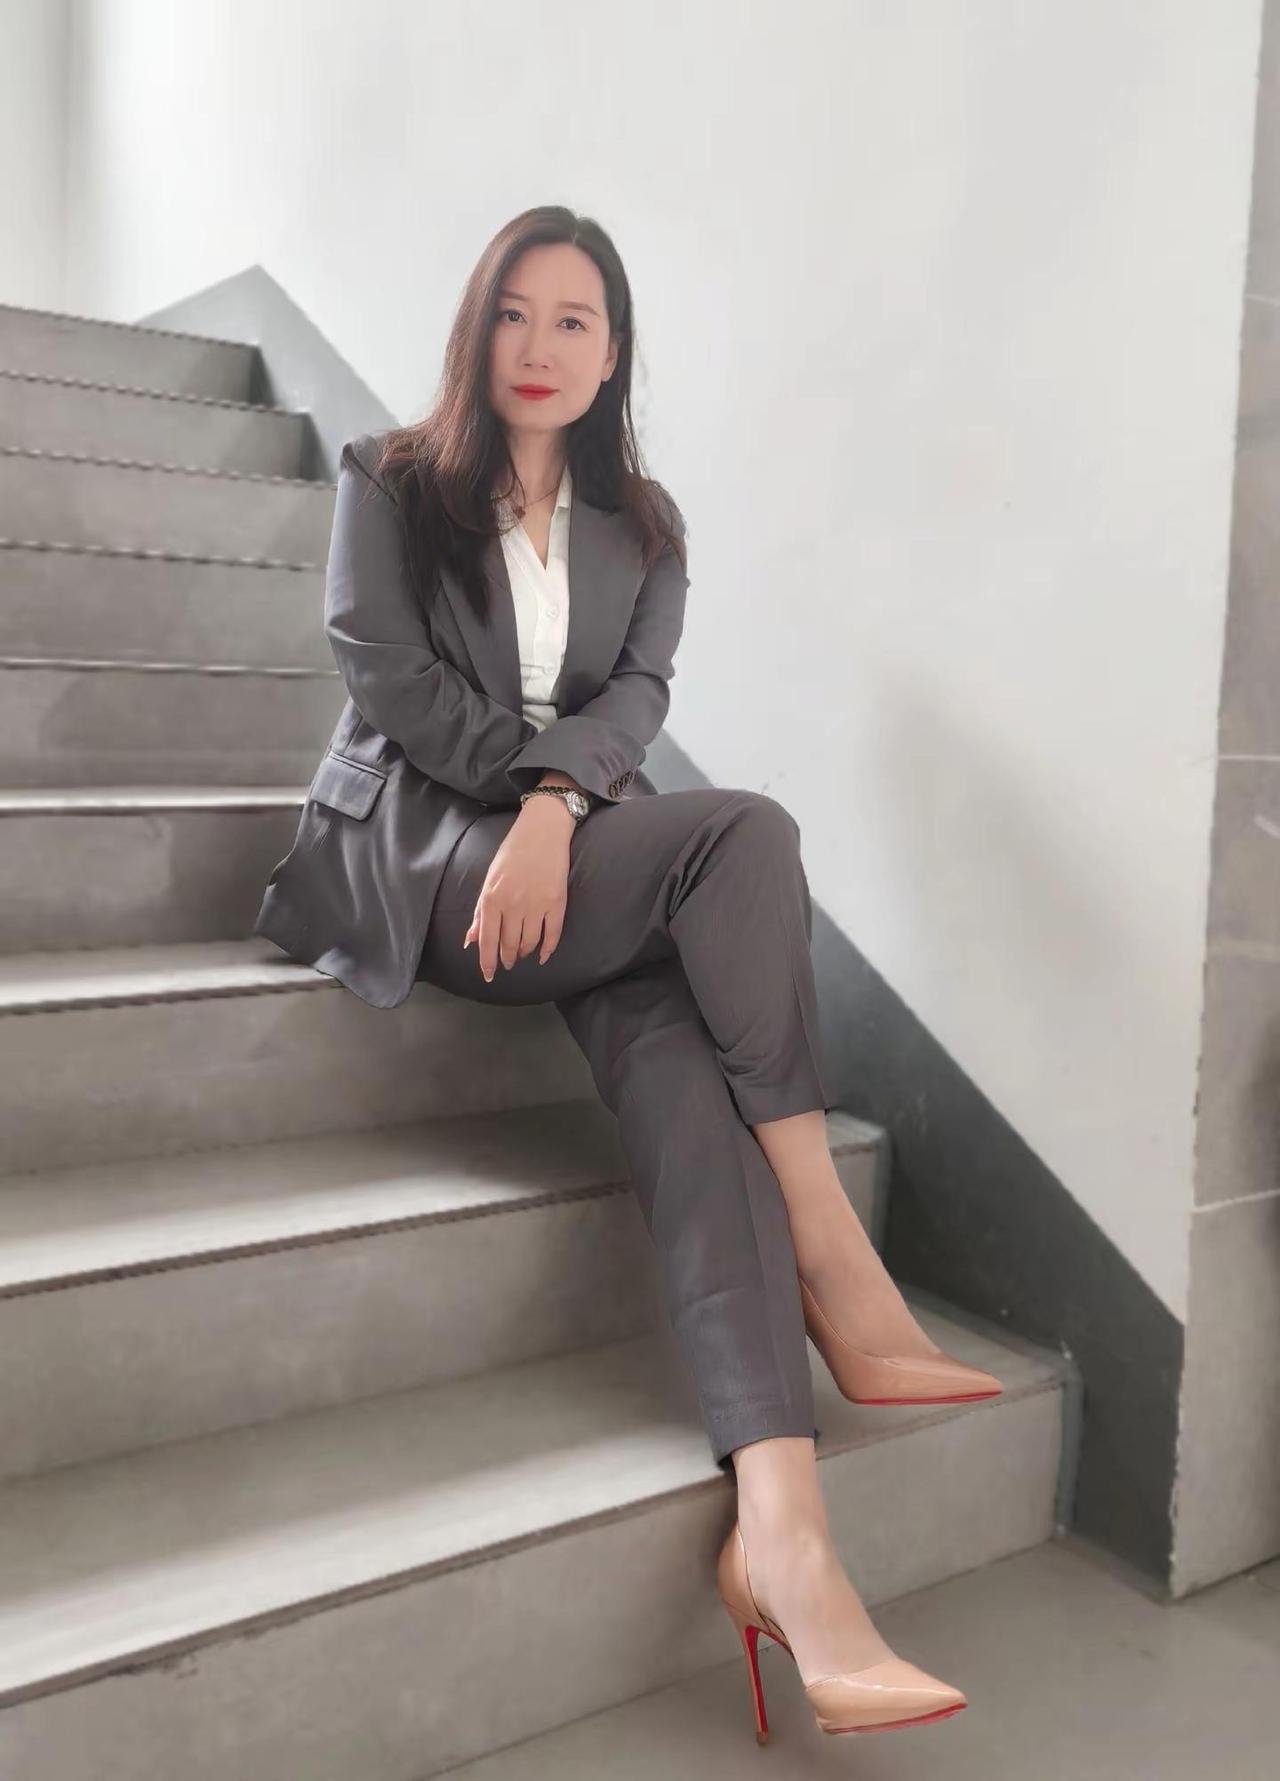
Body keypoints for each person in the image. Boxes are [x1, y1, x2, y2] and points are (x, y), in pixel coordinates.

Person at [255, 205, 999, 1744]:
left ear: (613, 354)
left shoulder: (644, 527)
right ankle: (830, 1250)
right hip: (420, 853)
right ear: (477, 329)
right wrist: (541, 801)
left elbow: (639, 694)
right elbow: (387, 675)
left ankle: (783, 1535)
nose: (540, 346)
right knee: (743, 834)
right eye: (514, 313)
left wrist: (556, 812)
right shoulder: (388, 483)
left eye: (574, 320)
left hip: (563, 855)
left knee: (675, 1048)